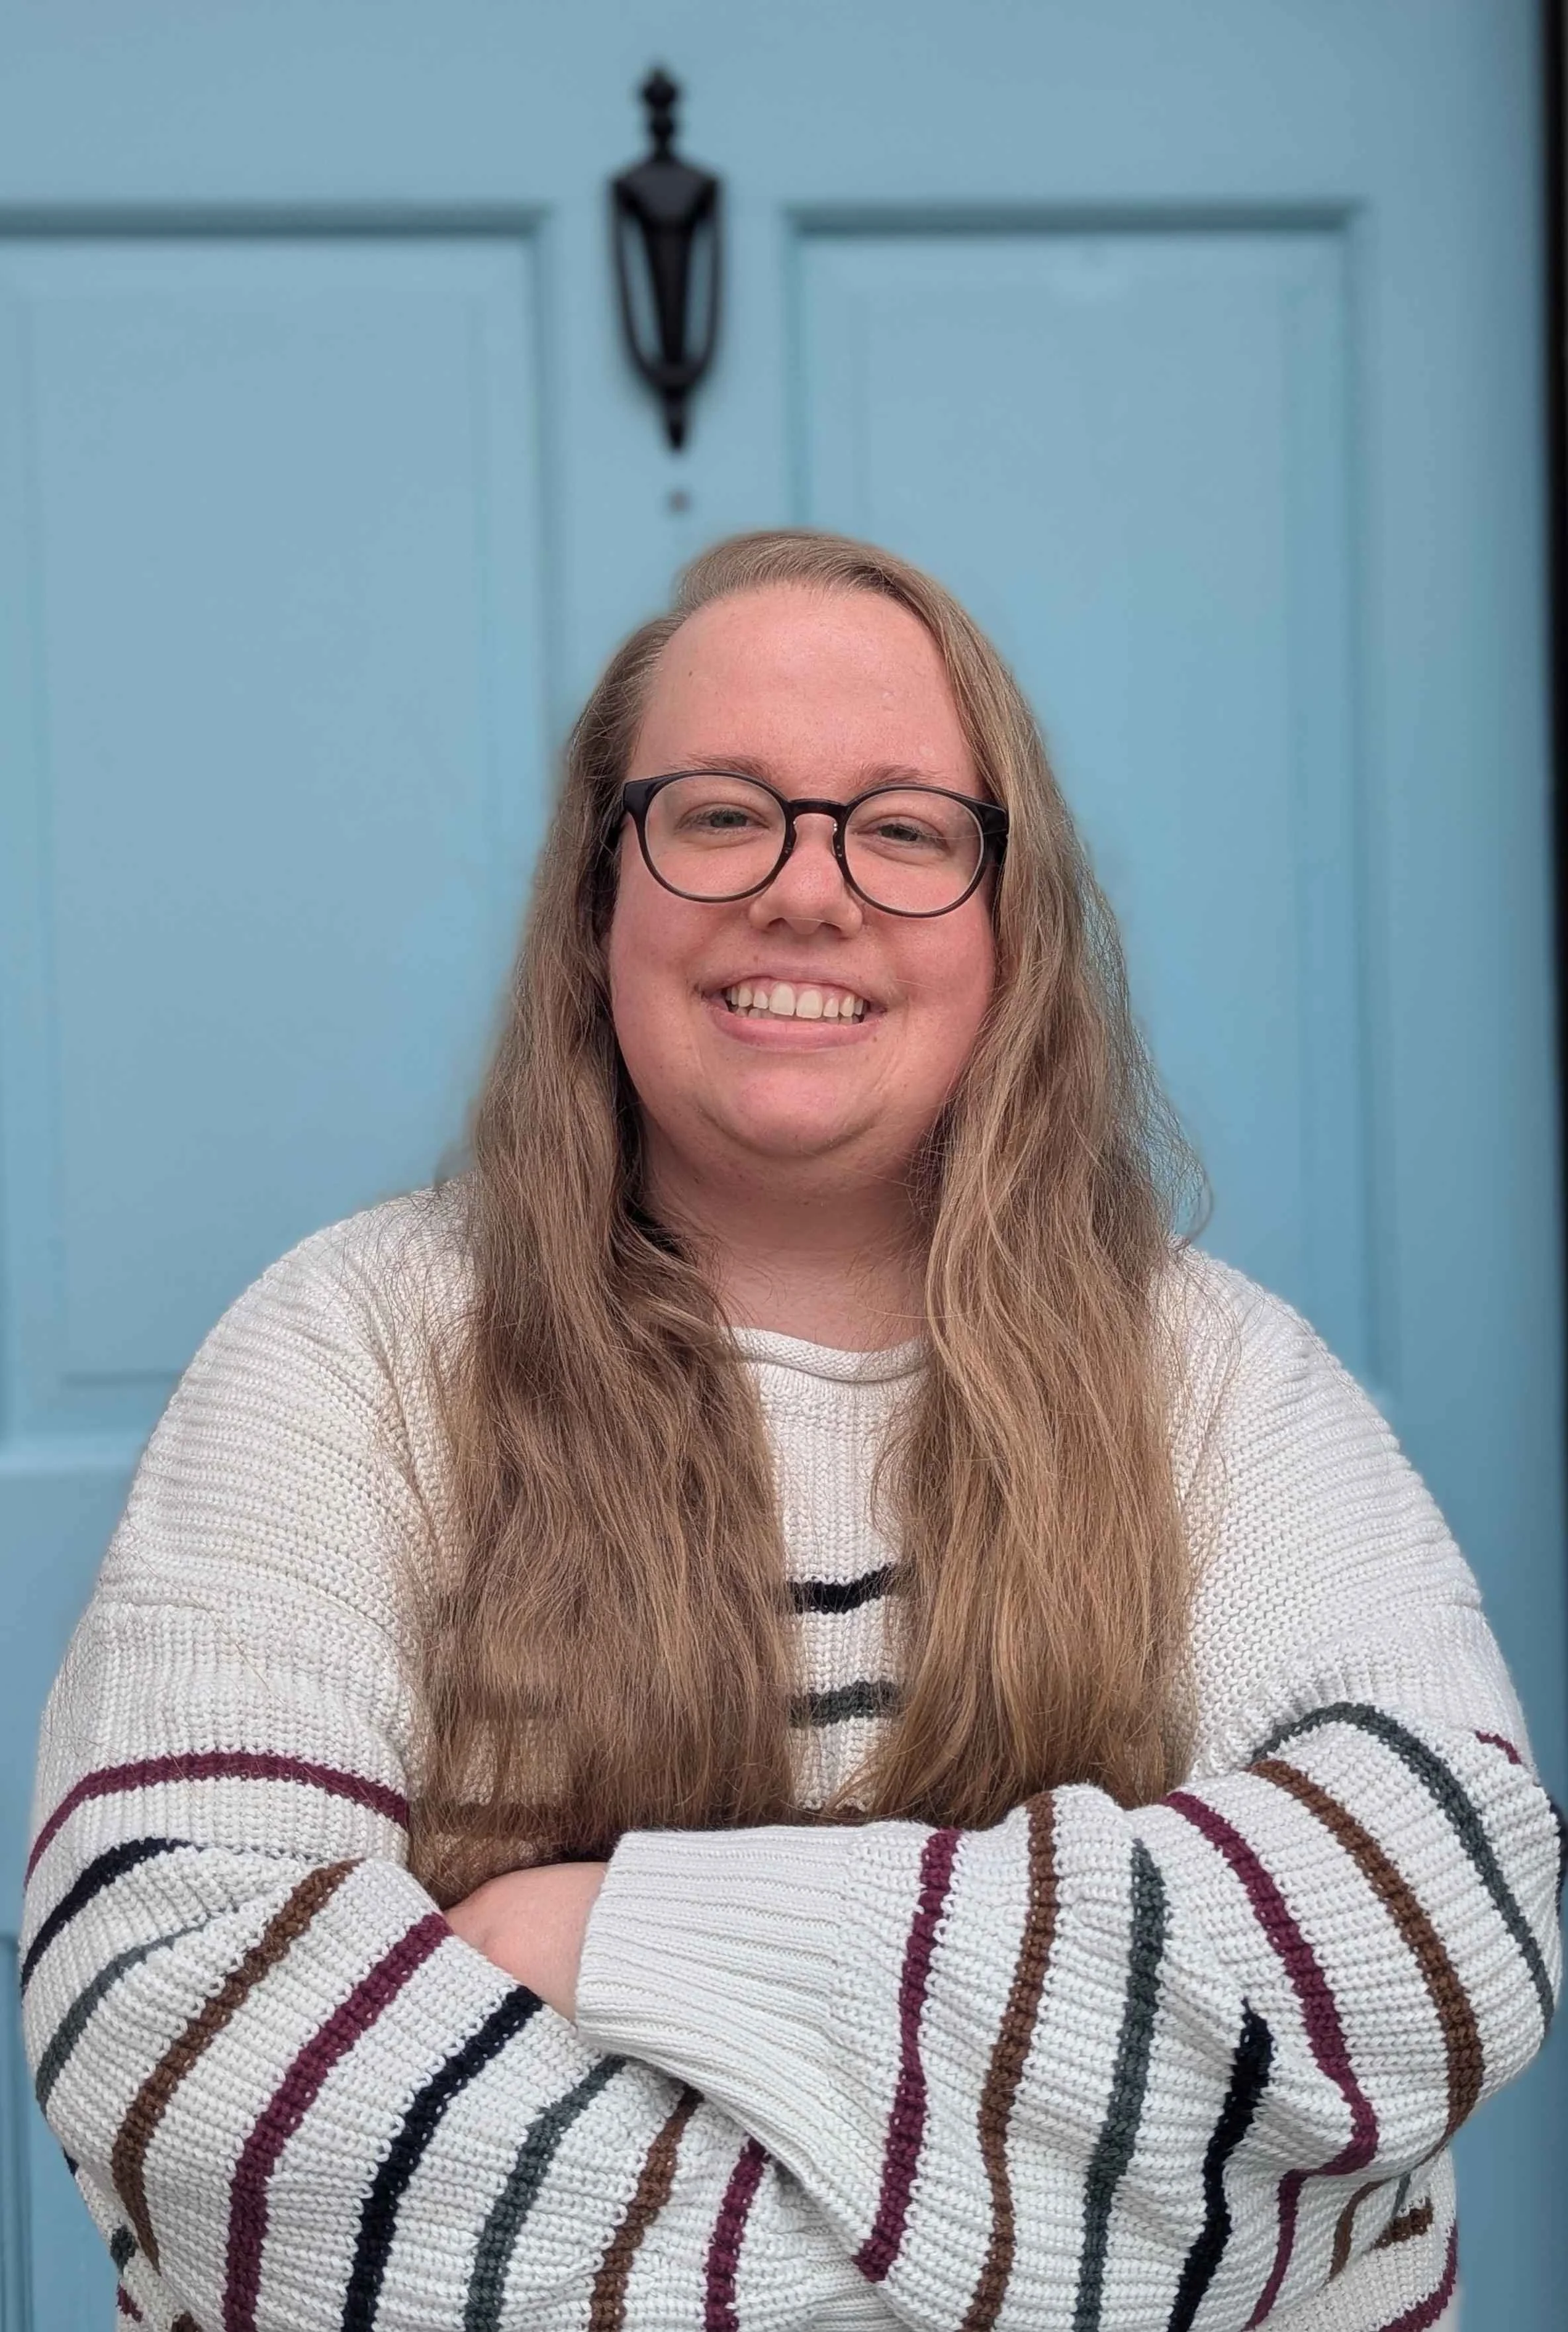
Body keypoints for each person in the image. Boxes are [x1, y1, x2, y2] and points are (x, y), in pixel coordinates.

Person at [19, 530, 1562, 2332]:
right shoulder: (351, 1353)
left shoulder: (1219, 1380)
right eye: (722, 813)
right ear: (603, 893)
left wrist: (629, 1939)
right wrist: (1116, 2209)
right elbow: (190, 2036)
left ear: (1016, 925)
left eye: (904, 828)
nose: (808, 892)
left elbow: (1432, 1930)